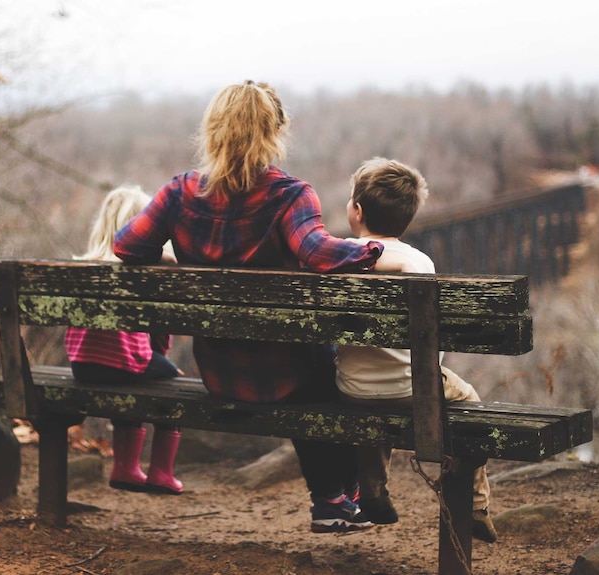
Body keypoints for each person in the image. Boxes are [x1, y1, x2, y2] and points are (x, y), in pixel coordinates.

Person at [113, 80, 385, 533]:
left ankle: (337, 499)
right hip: (288, 376)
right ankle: (336, 497)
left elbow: (126, 246)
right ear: (276, 131)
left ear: (213, 131)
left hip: (220, 373)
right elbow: (318, 252)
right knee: (327, 367)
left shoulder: (179, 193)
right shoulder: (289, 195)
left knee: (312, 364)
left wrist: (170, 258)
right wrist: (373, 250)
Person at [336, 157, 498, 543]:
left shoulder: (337, 256)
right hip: (414, 388)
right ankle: (476, 504)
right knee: (469, 400)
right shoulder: (419, 263)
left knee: (375, 398)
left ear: (357, 211)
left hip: (352, 388)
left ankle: (372, 490)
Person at [64, 185, 185, 495]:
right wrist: (163, 360)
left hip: (82, 366)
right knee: (174, 383)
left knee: (133, 374)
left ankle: (125, 468)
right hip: (124, 364)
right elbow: (158, 332)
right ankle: (160, 473)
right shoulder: (142, 270)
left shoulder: (83, 266)